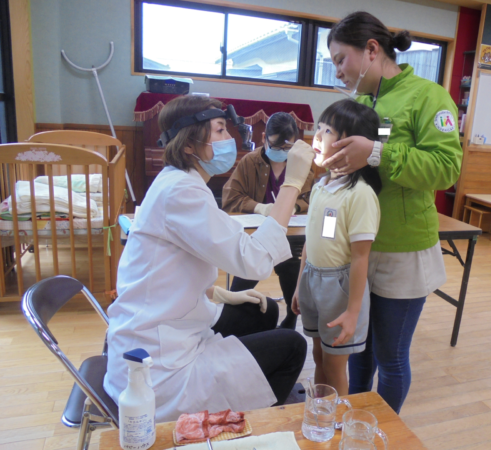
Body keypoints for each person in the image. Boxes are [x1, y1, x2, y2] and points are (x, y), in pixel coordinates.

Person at [104, 95, 315, 422]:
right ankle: (246, 427)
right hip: (158, 363)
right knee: (293, 346)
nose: (229, 139)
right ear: (189, 144)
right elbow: (255, 260)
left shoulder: (181, 183)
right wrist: (293, 183)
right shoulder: (181, 192)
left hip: (173, 322)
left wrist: (218, 293)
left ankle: (239, 382)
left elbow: (169, 268)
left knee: (264, 311)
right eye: (219, 131)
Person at [324, 11, 462, 412]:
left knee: (391, 357)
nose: (338, 72)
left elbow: (446, 169)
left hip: (403, 249)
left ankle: (381, 431)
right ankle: (354, 419)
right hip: (360, 247)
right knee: (358, 348)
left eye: (340, 59)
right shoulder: (362, 102)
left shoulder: (427, 96)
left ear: (371, 49)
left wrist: (378, 153)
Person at [292, 99, 381, 396]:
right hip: (312, 278)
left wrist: (353, 312)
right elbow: (311, 239)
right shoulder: (320, 185)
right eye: (319, 127)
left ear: (351, 143)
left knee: (334, 365)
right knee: (319, 356)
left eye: (328, 130)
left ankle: (336, 417)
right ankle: (322, 410)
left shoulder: (360, 194)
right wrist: (300, 284)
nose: (317, 136)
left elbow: (360, 258)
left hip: (338, 287)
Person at [222, 112, 314, 329]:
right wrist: (260, 207)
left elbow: (311, 197)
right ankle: (230, 315)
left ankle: (291, 318)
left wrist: (294, 206)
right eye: (275, 146)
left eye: (287, 148)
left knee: (291, 265)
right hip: (255, 238)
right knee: (248, 269)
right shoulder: (250, 162)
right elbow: (231, 198)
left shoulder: (301, 164)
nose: (281, 152)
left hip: (289, 236)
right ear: (264, 137)